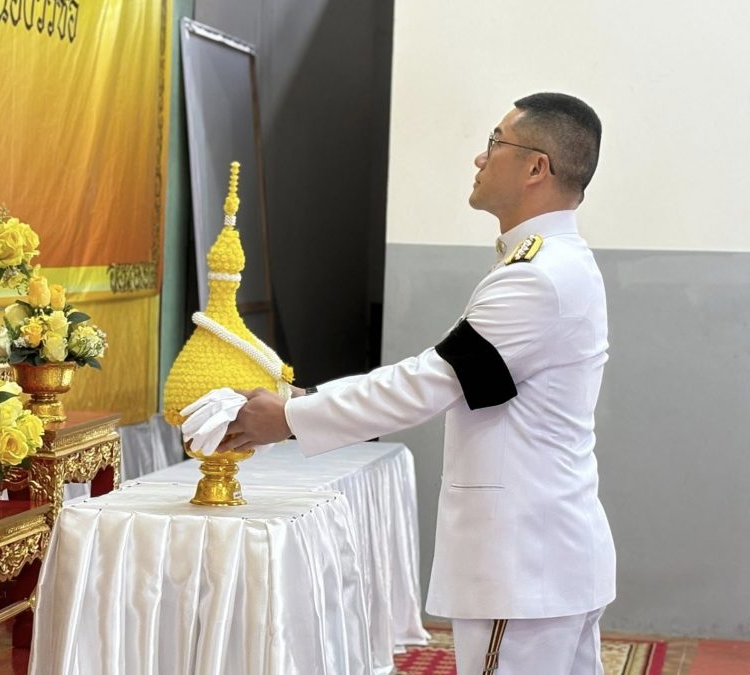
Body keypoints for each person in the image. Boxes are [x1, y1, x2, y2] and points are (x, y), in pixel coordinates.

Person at [217, 92, 616, 674]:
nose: (481, 159)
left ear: (537, 167)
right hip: (545, 557)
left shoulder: (540, 277)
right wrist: (307, 402)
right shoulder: (548, 265)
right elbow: (452, 377)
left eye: (496, 142)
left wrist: (287, 418)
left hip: (523, 563)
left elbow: (432, 382)